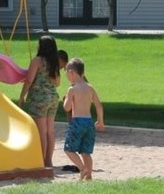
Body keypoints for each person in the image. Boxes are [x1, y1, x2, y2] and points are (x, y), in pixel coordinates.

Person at [18, 35, 61, 167]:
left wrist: (22, 96)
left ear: (41, 46)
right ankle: (49, 160)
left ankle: (41, 160)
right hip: (53, 98)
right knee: (50, 130)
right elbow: (57, 83)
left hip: (39, 99)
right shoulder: (54, 62)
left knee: (41, 131)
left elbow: (29, 80)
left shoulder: (37, 61)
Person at [63, 57, 105, 181]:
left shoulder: (72, 89)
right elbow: (98, 105)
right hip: (89, 122)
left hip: (77, 121)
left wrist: (66, 99)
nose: (67, 77)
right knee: (86, 151)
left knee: (69, 149)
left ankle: (82, 169)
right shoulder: (90, 87)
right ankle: (89, 176)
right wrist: (101, 120)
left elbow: (67, 108)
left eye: (67, 74)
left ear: (71, 72)